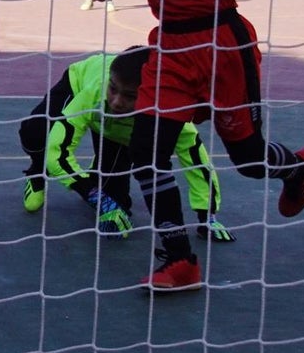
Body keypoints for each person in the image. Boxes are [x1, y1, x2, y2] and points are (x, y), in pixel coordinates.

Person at [88, 0, 304, 291]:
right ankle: (179, 260)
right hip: (169, 48)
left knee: (249, 161)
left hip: (221, 46)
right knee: (146, 152)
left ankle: (295, 168)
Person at [19, 47, 235, 243]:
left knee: (118, 210)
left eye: (129, 96)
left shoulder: (170, 115)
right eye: (113, 89)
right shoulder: (93, 92)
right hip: (79, 86)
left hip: (122, 130)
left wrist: (207, 217)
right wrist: (95, 196)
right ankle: (37, 173)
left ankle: (99, 171)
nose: (116, 102)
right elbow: (58, 151)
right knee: (35, 131)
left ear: (151, 95)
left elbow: (196, 161)